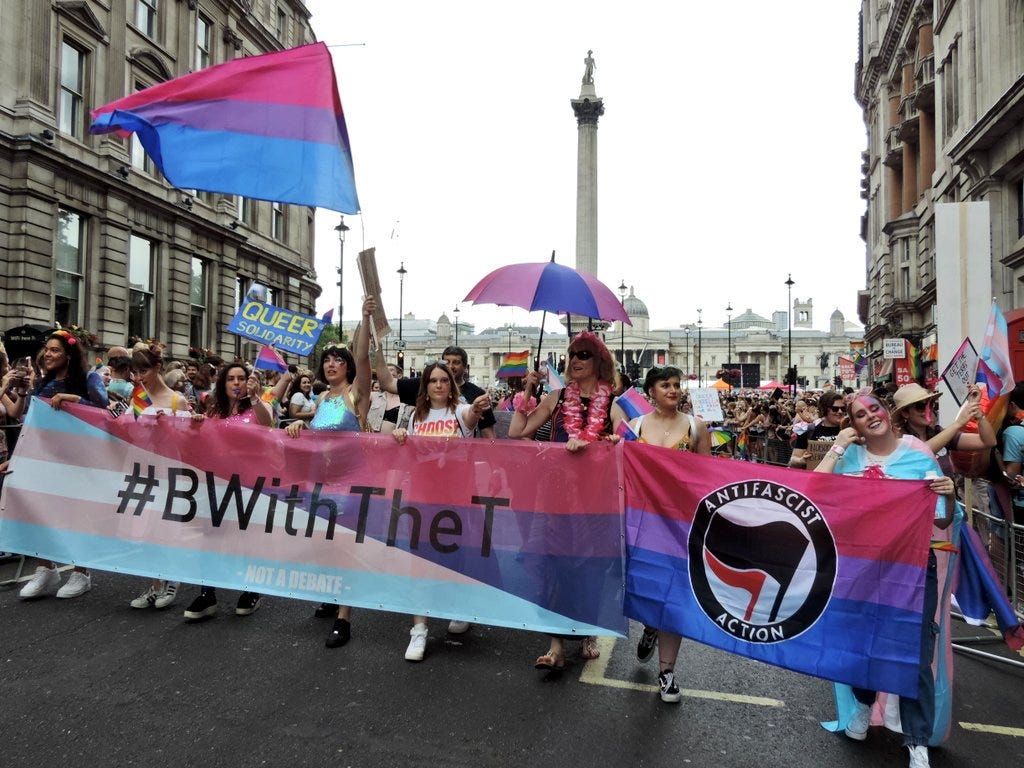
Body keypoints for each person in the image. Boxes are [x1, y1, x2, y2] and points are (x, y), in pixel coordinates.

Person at [814, 391, 956, 768]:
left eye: (874, 408)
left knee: (916, 653)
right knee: (863, 645)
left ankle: (917, 740)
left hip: (911, 568)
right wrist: (838, 448)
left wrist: (952, 497)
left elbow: (941, 519)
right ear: (854, 425)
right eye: (859, 415)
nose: (869, 417)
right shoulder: (851, 459)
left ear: (887, 413)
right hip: (861, 568)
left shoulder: (918, 456)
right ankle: (862, 705)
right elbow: (813, 491)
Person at [507, 331, 620, 670]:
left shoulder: (615, 398)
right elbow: (517, 432)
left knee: (590, 565)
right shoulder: (556, 397)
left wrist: (609, 439)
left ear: (599, 360)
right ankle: (555, 644)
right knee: (553, 562)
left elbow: (628, 433)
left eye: (584, 354)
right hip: (555, 494)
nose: (576, 359)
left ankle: (587, 633)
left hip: (595, 497)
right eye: (572, 353)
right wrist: (526, 391)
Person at [286, 297, 375, 648]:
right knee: (324, 545)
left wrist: (365, 319)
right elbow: (314, 437)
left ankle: (344, 618)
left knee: (343, 548)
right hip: (319, 483)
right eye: (326, 359)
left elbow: (365, 358)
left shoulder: (356, 395)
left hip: (350, 483)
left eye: (338, 359)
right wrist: (296, 426)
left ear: (348, 367)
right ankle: (334, 594)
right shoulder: (321, 401)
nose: (331, 364)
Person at [389, 360, 491, 660]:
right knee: (419, 561)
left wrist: (478, 407)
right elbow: (406, 454)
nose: (438, 385)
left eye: (443, 380)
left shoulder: (460, 411)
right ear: (425, 385)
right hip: (422, 497)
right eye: (432, 380)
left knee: (455, 557)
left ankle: (459, 606)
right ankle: (419, 630)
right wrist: (400, 439)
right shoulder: (414, 417)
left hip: (456, 498)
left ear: (451, 385)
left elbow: (472, 416)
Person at [629, 366, 711, 703]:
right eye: (666, 385)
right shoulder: (635, 427)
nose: (674, 390)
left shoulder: (696, 426)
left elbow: (709, 474)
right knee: (646, 590)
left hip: (680, 524)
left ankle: (667, 672)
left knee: (674, 596)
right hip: (643, 522)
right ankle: (650, 623)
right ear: (651, 391)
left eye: (677, 385)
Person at [8, 330, 109, 599]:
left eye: (55, 350)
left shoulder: (89, 379)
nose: (48, 354)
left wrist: (75, 400)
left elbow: (107, 414)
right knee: (37, 510)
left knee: (75, 515)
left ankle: (81, 572)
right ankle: (45, 568)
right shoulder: (43, 383)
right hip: (45, 461)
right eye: (47, 350)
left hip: (79, 461)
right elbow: (29, 422)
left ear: (68, 355)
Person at [181, 361, 273, 621]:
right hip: (217, 482)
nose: (236, 383)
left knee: (245, 537)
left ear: (248, 382)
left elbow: (268, 424)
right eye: (230, 379)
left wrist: (255, 397)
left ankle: (250, 590)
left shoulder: (257, 407)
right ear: (223, 384)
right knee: (211, 537)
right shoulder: (215, 411)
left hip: (248, 483)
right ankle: (206, 593)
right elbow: (202, 440)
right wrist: (197, 423)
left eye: (241, 378)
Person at [123, 346, 203, 609]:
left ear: (157, 368)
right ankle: (153, 584)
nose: (139, 376)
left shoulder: (175, 400)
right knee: (142, 528)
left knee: (165, 528)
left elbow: (187, 441)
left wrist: (177, 425)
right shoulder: (137, 397)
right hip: (141, 469)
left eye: (143, 370)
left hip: (169, 472)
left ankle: (171, 579)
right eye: (135, 371)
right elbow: (128, 433)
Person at [892, 382, 996, 477]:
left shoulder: (938, 432)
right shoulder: (900, 438)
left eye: (930, 404)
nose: (927, 411)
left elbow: (988, 441)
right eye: (920, 406)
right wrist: (958, 423)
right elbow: (921, 453)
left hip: (948, 497)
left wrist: (977, 413)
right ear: (905, 413)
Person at [788, 390, 845, 467]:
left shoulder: (850, 431)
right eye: (835, 409)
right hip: (815, 477)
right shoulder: (808, 431)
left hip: (841, 477)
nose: (840, 411)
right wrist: (801, 460)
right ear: (824, 409)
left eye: (843, 408)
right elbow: (793, 459)